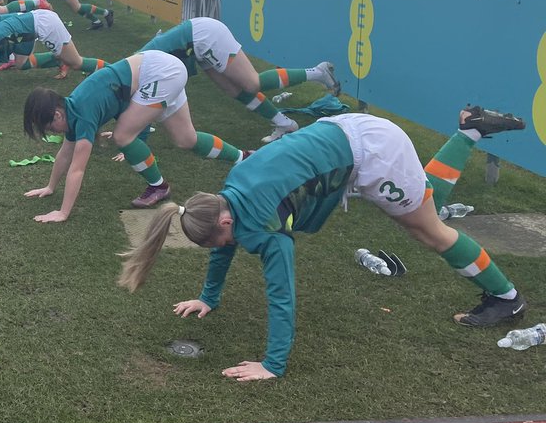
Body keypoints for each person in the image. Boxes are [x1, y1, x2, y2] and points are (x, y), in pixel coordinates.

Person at [117, 106, 529, 382]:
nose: (230, 244)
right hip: (345, 131)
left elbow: (281, 294)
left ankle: (506, 296)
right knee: (423, 205)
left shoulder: (262, 223)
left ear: (225, 219)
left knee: (430, 226)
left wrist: (272, 365)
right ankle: (470, 128)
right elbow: (223, 243)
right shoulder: (228, 196)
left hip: (372, 151)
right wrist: (208, 297)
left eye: (225, 237)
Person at [21, 50, 249, 221]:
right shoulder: (72, 110)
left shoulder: (83, 114)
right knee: (186, 139)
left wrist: (63, 212)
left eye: (50, 128)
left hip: (161, 73)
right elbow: (65, 153)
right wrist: (50, 187)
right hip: (163, 70)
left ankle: (159, 186)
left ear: (58, 114)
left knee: (122, 136)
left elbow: (77, 168)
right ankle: (244, 157)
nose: (53, 132)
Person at [140, 17, 338, 142]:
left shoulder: (135, 69)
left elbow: (146, 103)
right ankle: (285, 124)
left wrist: (139, 131)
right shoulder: (134, 68)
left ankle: (319, 72)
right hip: (196, 45)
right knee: (233, 90)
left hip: (203, 35)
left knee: (252, 83)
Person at [0, 9, 106, 110]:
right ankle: (61, 60)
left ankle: (112, 70)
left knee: (76, 62)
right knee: (24, 62)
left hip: (45, 25)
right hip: (38, 20)